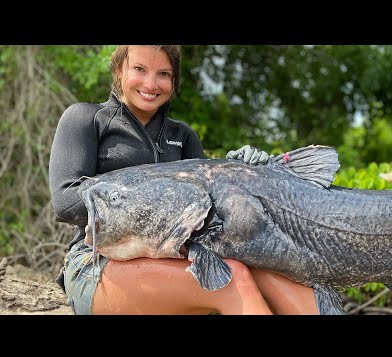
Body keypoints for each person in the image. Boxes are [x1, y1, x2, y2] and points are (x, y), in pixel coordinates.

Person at [49, 45, 318, 315]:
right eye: (139, 69)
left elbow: (208, 224)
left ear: (173, 81)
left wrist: (242, 173)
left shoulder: (184, 135)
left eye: (163, 73)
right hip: (96, 263)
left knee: (283, 279)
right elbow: (64, 200)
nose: (151, 83)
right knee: (233, 281)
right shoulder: (85, 118)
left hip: (178, 261)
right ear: (120, 71)